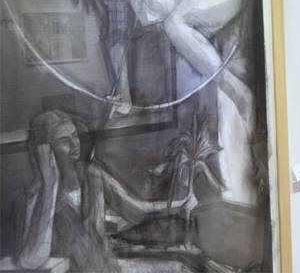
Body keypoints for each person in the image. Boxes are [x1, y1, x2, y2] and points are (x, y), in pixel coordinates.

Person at [61, 0, 261, 205]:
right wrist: (123, 95)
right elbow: (117, 50)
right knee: (177, 28)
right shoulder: (124, 10)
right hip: (210, 32)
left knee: (175, 23)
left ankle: (240, 94)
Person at [14, 111, 199, 271]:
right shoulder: (36, 196)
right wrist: (50, 184)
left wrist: (181, 203)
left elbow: (138, 211)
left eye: (74, 136)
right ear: (45, 151)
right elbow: (30, 260)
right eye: (64, 140)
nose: (74, 143)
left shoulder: (92, 175)